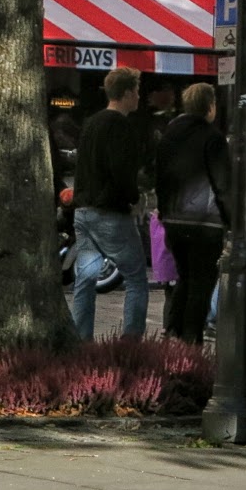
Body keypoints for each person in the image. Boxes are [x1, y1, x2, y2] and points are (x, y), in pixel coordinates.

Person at [70, 66, 147, 341]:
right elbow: (121, 170)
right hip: (110, 212)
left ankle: (82, 340)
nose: (139, 96)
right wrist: (134, 198)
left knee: (85, 279)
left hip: (84, 209)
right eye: (136, 91)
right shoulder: (120, 126)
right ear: (126, 94)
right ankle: (131, 342)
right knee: (136, 278)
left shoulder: (91, 123)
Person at [155, 83, 228, 346]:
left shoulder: (169, 135)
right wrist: (230, 218)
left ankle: (173, 331)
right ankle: (191, 339)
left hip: (174, 219)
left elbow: (159, 177)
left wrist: (164, 212)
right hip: (205, 222)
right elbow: (222, 183)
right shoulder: (213, 137)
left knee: (184, 277)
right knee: (202, 282)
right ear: (210, 106)